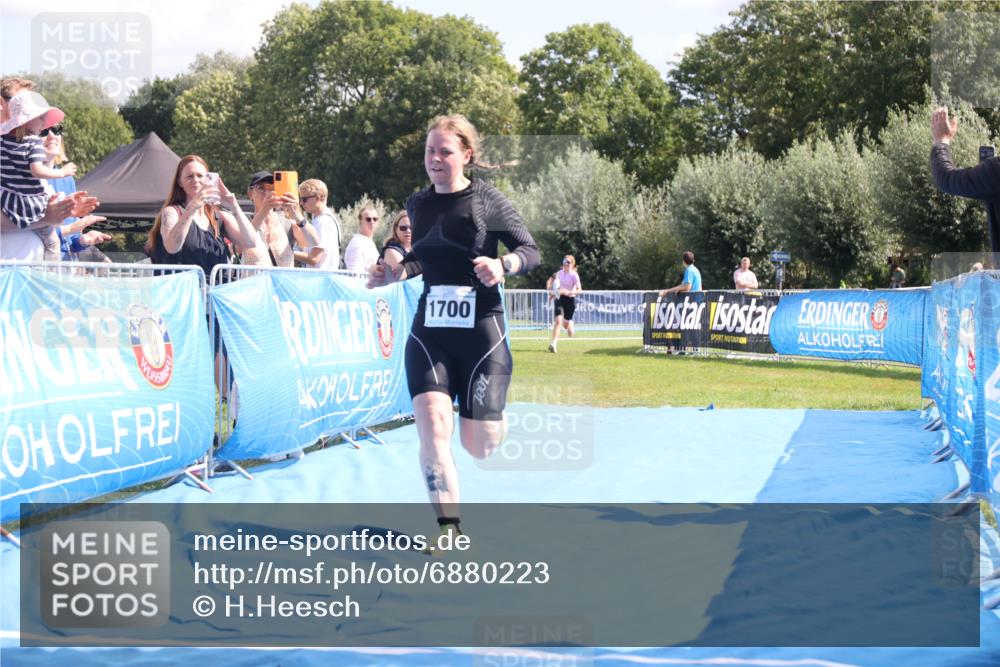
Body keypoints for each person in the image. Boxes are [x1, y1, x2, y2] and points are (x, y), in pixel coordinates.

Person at [367, 114, 540, 544]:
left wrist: (503, 264)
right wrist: (394, 274)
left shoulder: (487, 200)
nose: (435, 158)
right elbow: (424, 258)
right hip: (431, 332)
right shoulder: (418, 204)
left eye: (444, 151)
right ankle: (449, 528)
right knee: (431, 424)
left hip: (482, 332)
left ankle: (491, 415)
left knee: (479, 445)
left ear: (466, 155)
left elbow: (530, 250)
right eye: (429, 151)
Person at [0, 90, 75, 260]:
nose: (44, 125)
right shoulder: (33, 142)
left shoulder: (2, 141)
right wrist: (61, 172)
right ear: (27, 120)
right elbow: (36, 170)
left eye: (55, 129)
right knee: (53, 244)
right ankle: (49, 273)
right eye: (41, 119)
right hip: (30, 204)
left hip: (6, 199)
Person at [39, 127, 111, 259]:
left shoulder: (67, 179)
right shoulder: (23, 178)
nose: (52, 136)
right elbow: (26, 231)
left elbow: (71, 241)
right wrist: (71, 228)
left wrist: (83, 240)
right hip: (36, 264)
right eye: (43, 131)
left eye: (56, 130)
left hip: (64, 266)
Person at [241, 171, 319, 268]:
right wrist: (263, 211)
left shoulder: (286, 223)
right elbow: (239, 248)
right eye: (261, 188)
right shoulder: (244, 221)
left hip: (283, 278)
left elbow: (314, 242)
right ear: (250, 194)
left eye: (272, 188)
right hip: (254, 278)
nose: (267, 192)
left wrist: (296, 213)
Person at [295, 178, 341, 270]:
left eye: (304, 199)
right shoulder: (321, 219)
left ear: (318, 197)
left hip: (320, 277)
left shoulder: (323, 222)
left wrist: (288, 253)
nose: (301, 203)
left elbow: (314, 259)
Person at [547, 255, 582, 353]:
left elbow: (580, 290)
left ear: (572, 264)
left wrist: (571, 292)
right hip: (559, 298)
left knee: (565, 325)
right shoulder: (559, 273)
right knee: (558, 320)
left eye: (568, 262)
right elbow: (556, 287)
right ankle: (553, 344)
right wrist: (552, 295)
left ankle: (570, 324)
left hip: (570, 300)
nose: (566, 264)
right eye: (564, 261)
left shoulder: (574, 275)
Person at [344, 206, 381, 273]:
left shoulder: (368, 241)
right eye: (368, 219)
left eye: (375, 219)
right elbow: (354, 272)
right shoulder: (357, 243)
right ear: (360, 222)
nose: (372, 222)